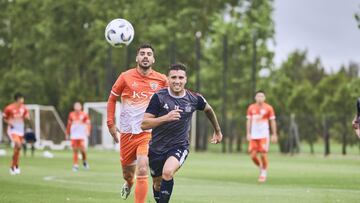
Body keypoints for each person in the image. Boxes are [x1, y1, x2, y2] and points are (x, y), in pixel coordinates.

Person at [141, 63, 223, 203]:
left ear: (186, 79)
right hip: (156, 148)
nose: (177, 81)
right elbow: (144, 124)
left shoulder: (194, 98)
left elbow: (208, 109)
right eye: (173, 77)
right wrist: (166, 118)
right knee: (158, 184)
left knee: (167, 172)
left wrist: (217, 130)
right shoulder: (159, 97)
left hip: (179, 146)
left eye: (180, 77)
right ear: (168, 79)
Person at [107, 44, 168, 203]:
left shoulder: (161, 80)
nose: (145, 56)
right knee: (128, 173)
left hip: (148, 133)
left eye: (149, 54)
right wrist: (110, 124)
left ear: (153, 59)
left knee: (142, 167)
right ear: (137, 58)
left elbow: (173, 98)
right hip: (127, 133)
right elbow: (112, 99)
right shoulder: (125, 77)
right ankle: (129, 182)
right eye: (142, 54)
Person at [246, 90, 277, 183]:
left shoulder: (269, 108)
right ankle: (261, 167)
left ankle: (263, 172)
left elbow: (272, 121)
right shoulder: (251, 108)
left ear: (264, 98)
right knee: (253, 156)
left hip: (264, 135)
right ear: (255, 98)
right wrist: (248, 133)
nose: (260, 98)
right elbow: (248, 121)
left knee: (263, 154)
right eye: (258, 96)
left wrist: (274, 134)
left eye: (262, 96)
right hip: (254, 136)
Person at [2, 92, 30, 175]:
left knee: (17, 149)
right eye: (22, 98)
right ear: (18, 99)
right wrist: (9, 123)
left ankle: (15, 166)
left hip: (20, 131)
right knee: (18, 145)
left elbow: (26, 115)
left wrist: (27, 117)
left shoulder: (23, 108)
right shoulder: (9, 108)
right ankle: (12, 167)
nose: (23, 100)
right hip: (12, 130)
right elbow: (4, 118)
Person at [66, 102, 91, 172]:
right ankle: (75, 165)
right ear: (74, 107)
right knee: (75, 150)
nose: (77, 107)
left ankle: (84, 161)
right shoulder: (71, 114)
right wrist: (67, 133)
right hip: (74, 135)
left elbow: (88, 124)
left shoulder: (84, 114)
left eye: (78, 106)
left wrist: (88, 131)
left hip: (82, 134)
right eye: (76, 106)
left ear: (81, 107)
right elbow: (69, 124)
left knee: (82, 149)